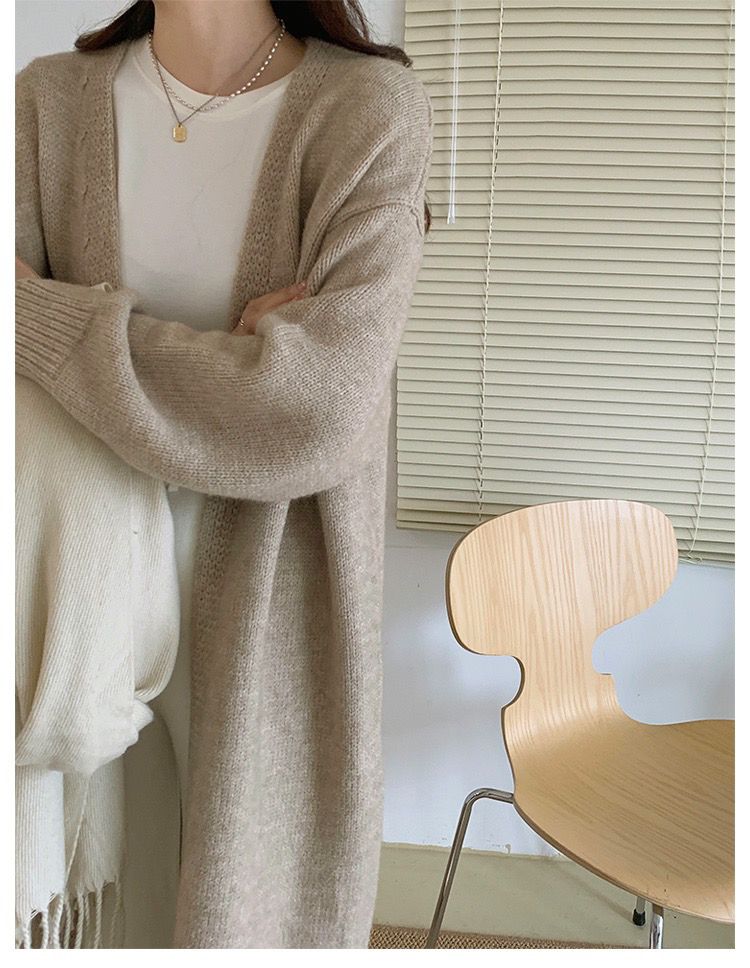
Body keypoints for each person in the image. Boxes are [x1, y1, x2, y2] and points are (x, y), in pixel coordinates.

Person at [16, 0, 433, 948]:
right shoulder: (47, 102)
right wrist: (234, 367)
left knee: (236, 923)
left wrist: (44, 319)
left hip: (271, 607)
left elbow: (316, 412)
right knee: (97, 918)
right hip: (69, 601)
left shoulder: (368, 109)